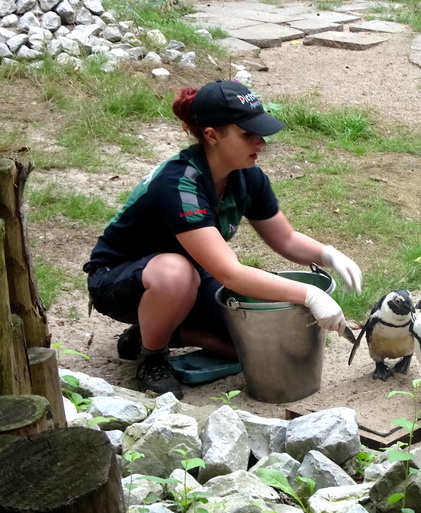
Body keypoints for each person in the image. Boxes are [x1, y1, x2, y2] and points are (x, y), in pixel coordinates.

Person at [83, 80, 363, 399]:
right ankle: (153, 357)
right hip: (120, 280)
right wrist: (310, 295)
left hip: (191, 275)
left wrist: (328, 255)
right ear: (212, 135)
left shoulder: (246, 174)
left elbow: (284, 238)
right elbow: (230, 273)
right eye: (247, 134)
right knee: (176, 273)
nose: (261, 142)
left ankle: (155, 332)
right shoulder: (178, 183)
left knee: (251, 342)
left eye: (261, 131)